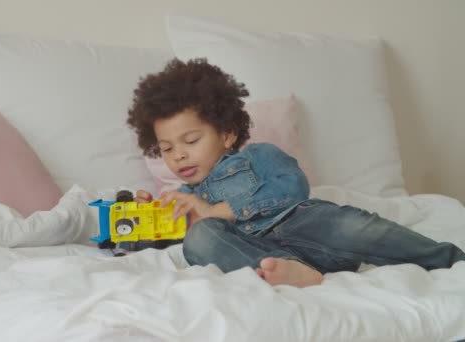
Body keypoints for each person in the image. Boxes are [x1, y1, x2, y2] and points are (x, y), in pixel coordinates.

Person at [126, 58, 465, 288]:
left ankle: (449, 258)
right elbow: (167, 242)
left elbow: (292, 188)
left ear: (227, 133)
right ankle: (292, 271)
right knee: (199, 240)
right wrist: (145, 223)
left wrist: (215, 210)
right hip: (260, 252)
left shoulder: (258, 155)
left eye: (190, 140)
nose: (179, 154)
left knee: (359, 228)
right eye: (167, 148)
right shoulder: (184, 197)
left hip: (304, 224)